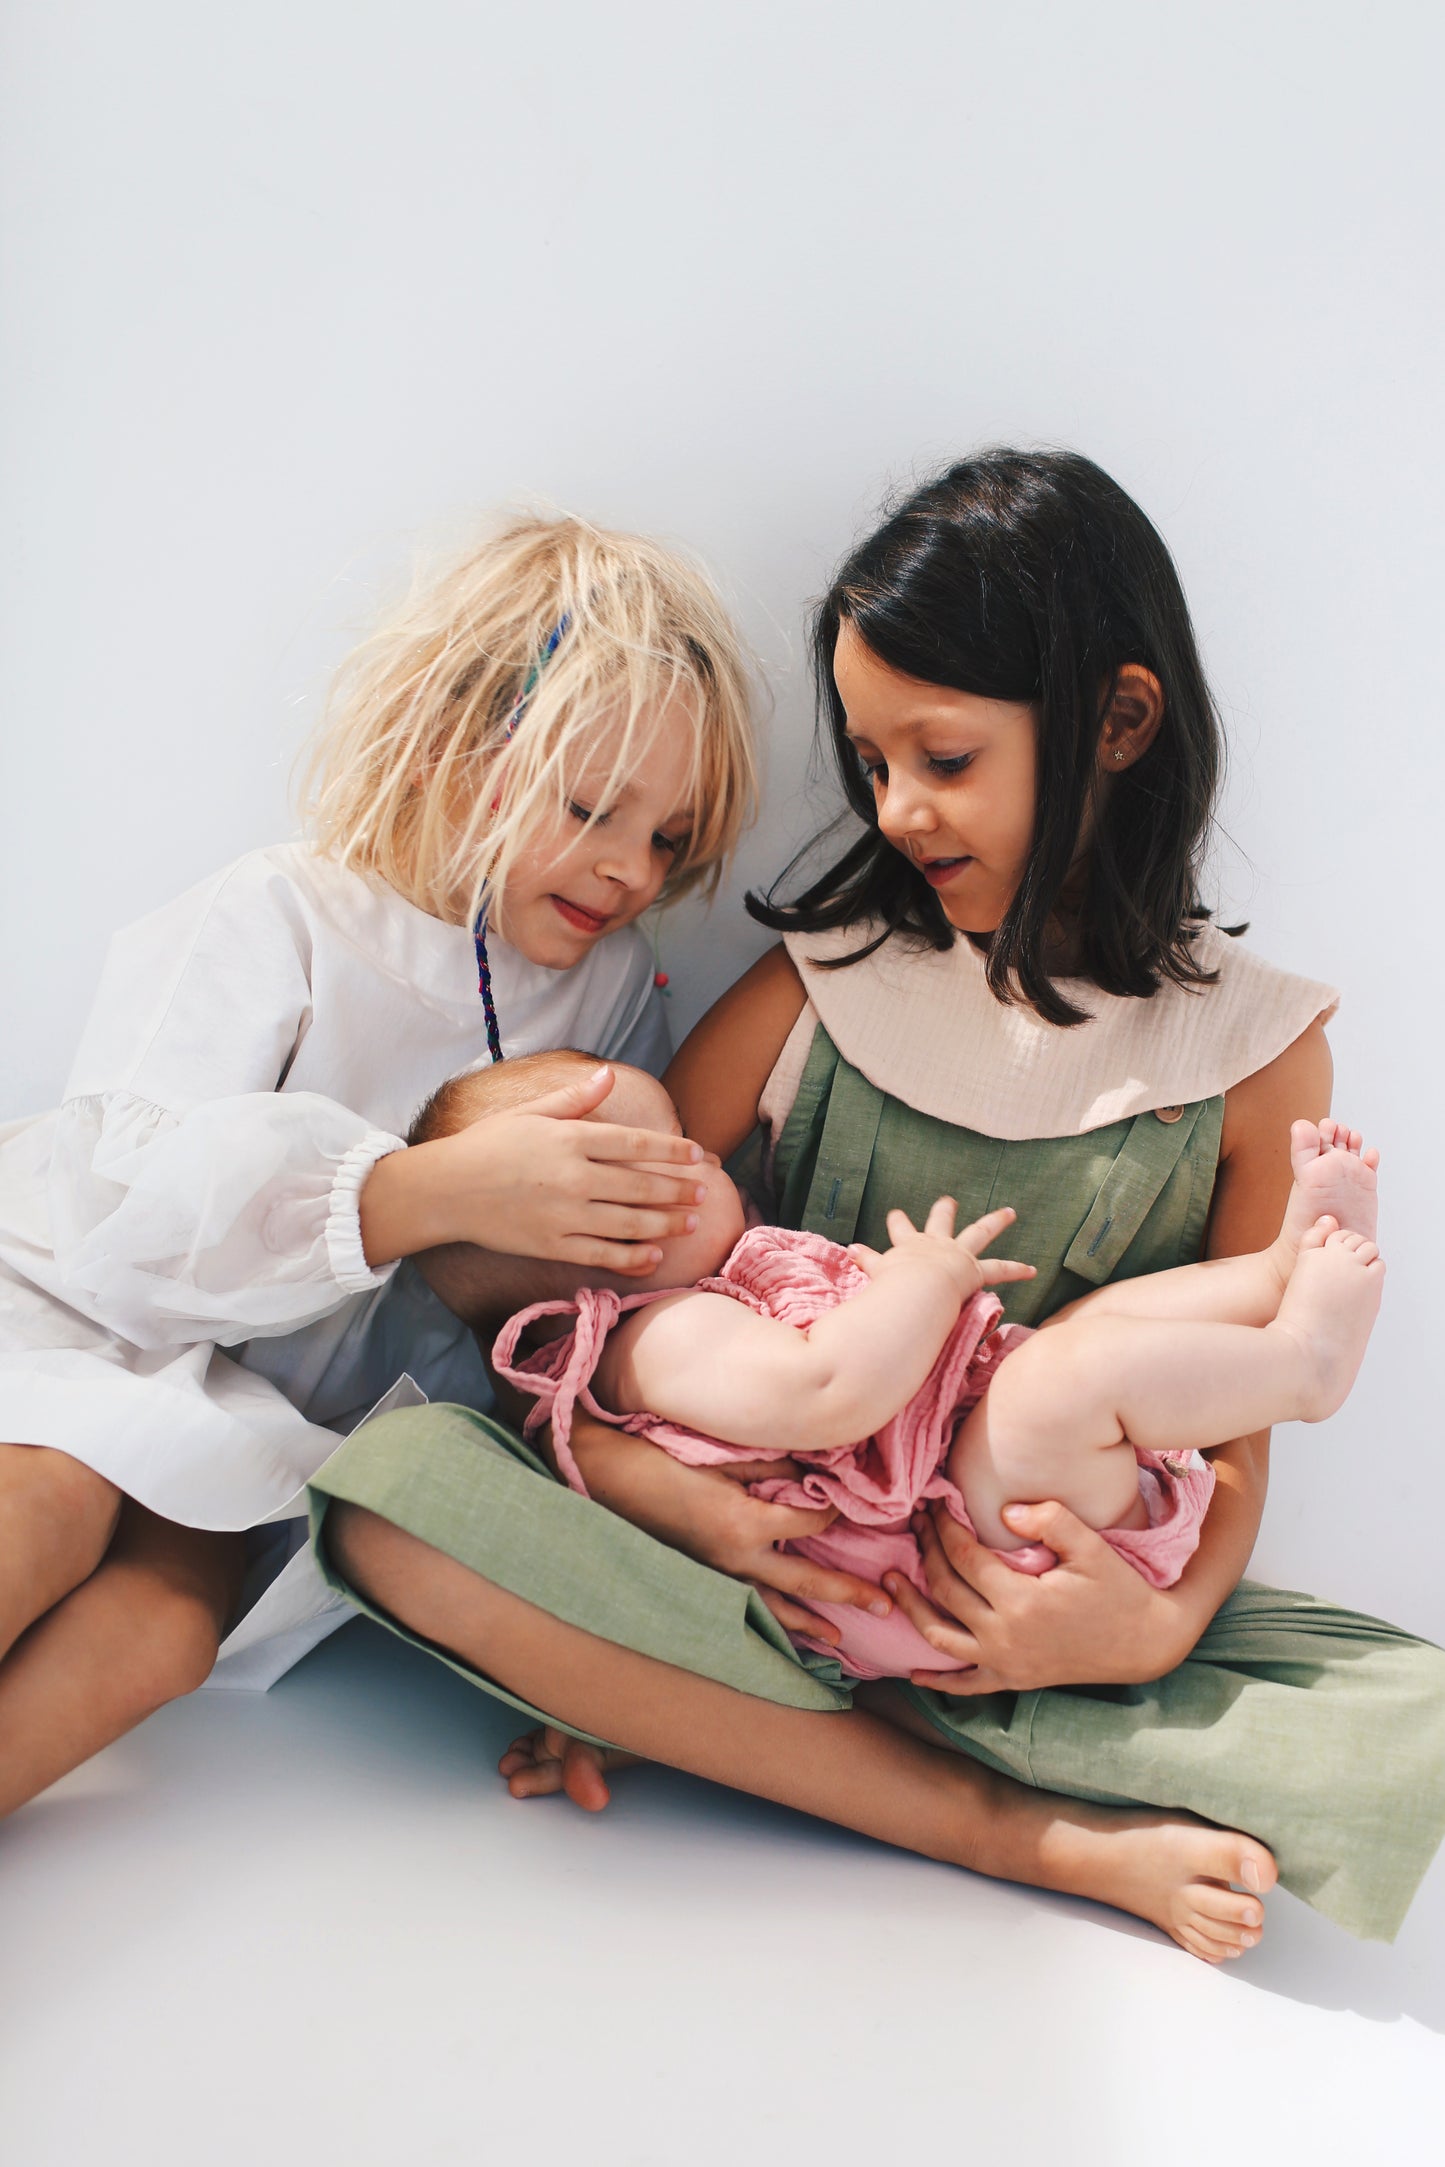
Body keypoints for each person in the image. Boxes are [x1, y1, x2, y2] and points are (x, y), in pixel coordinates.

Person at [310, 451, 1445, 1964]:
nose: (899, 808)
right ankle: (993, 1822)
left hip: (1010, 1581)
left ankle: (734, 1731)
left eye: (947, 757)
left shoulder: (1254, 1054)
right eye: (870, 763)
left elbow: (1240, 1432)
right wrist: (675, 1511)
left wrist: (1152, 1627)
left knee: (1360, 1714)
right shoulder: (819, 980)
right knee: (394, 1505)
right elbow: (572, 1315)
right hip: (779, 1559)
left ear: (1117, 722)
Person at [0, 512, 758, 1813]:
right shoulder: (287, 911)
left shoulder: (611, 991)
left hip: (263, 1411)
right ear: (469, 744)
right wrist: (428, 1190)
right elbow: (131, 1207)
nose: (633, 870)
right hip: (82, 1316)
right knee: (52, 1504)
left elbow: (586, 1305)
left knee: (165, 1630)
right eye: (592, 811)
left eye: (670, 841)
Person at [413, 1052, 1382, 1683]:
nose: (705, 1151)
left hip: (980, 1499)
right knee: (1060, 1382)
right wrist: (925, 1274)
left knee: (1086, 1338)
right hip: (953, 1565)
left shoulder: (708, 1296)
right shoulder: (654, 1341)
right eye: (673, 1155)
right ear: (597, 1245)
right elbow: (828, 1395)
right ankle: (1302, 1366)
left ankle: (1272, 1271)